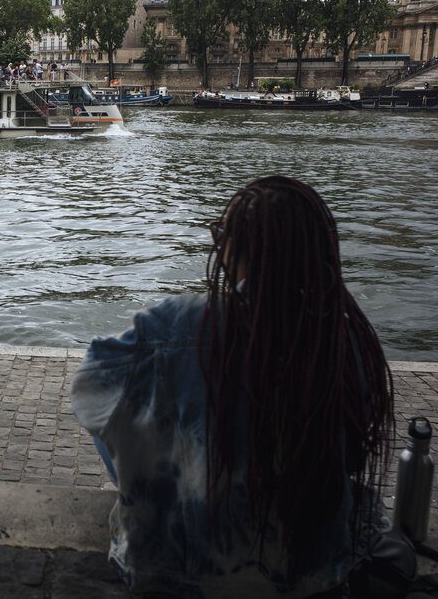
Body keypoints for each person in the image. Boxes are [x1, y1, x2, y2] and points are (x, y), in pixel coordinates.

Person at [71, 176, 393, 598]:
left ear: (231, 248)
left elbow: (89, 392)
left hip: (179, 569)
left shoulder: (177, 324)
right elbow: (351, 451)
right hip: (311, 572)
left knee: (130, 408)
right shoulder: (341, 337)